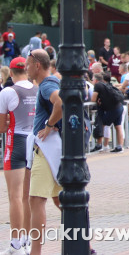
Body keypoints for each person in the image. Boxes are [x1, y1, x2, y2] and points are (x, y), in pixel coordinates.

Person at [25, 49, 62, 255]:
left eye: (28, 65)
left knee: (36, 200)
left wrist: (48, 125)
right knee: (60, 200)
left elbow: (60, 102)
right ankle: (86, 244)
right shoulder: (52, 82)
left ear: (37, 65)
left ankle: (35, 252)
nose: (27, 70)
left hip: (46, 149)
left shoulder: (47, 84)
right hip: (54, 149)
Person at [0, 56, 36, 255]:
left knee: (14, 196)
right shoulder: (36, 88)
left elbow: (1, 126)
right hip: (32, 143)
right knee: (27, 196)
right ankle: (27, 240)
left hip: (15, 143)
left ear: (11, 73)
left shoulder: (8, 91)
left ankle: (15, 244)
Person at [90, 71, 125, 153]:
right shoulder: (108, 85)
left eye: (92, 79)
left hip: (112, 109)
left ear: (96, 80)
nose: (92, 80)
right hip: (119, 106)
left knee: (102, 124)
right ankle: (120, 146)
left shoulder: (98, 85)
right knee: (118, 126)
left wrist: (97, 100)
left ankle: (99, 145)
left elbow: (93, 99)